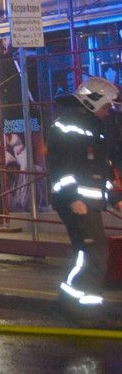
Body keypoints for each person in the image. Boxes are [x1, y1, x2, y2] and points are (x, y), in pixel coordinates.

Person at [45, 76, 120, 312]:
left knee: (91, 251)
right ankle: (83, 304)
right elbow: (61, 165)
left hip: (85, 203)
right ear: (93, 101)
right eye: (106, 106)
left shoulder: (91, 127)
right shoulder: (70, 126)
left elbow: (99, 170)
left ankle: (76, 300)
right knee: (94, 252)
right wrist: (73, 198)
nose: (108, 112)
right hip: (77, 203)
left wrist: (115, 199)